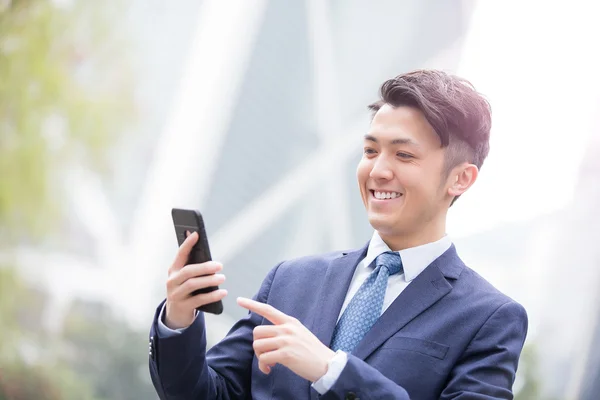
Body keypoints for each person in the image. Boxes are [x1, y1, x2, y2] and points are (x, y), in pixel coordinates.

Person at [148, 69, 528, 399]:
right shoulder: (291, 280)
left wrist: (331, 370)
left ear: (460, 178)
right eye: (370, 150)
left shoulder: (488, 319)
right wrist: (179, 319)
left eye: (404, 155)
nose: (377, 170)